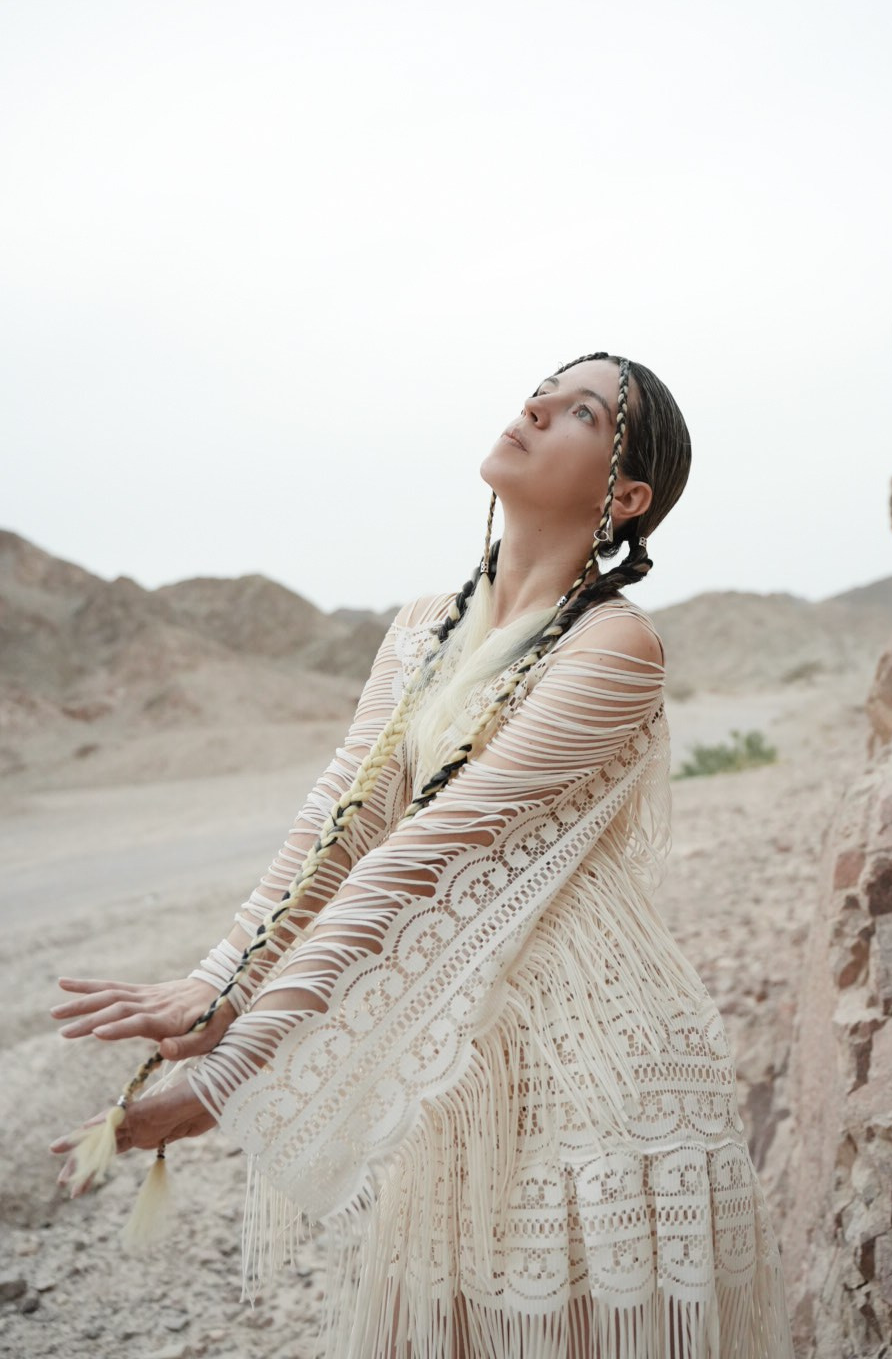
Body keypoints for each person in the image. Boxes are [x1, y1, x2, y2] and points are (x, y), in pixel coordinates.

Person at [50, 352, 796, 1359]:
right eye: (543, 387)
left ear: (625, 495)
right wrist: (215, 984)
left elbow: (431, 853)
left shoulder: (615, 647)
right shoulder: (419, 631)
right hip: (464, 1068)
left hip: (596, 1069)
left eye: (580, 409)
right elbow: (344, 824)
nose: (533, 406)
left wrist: (236, 1070)